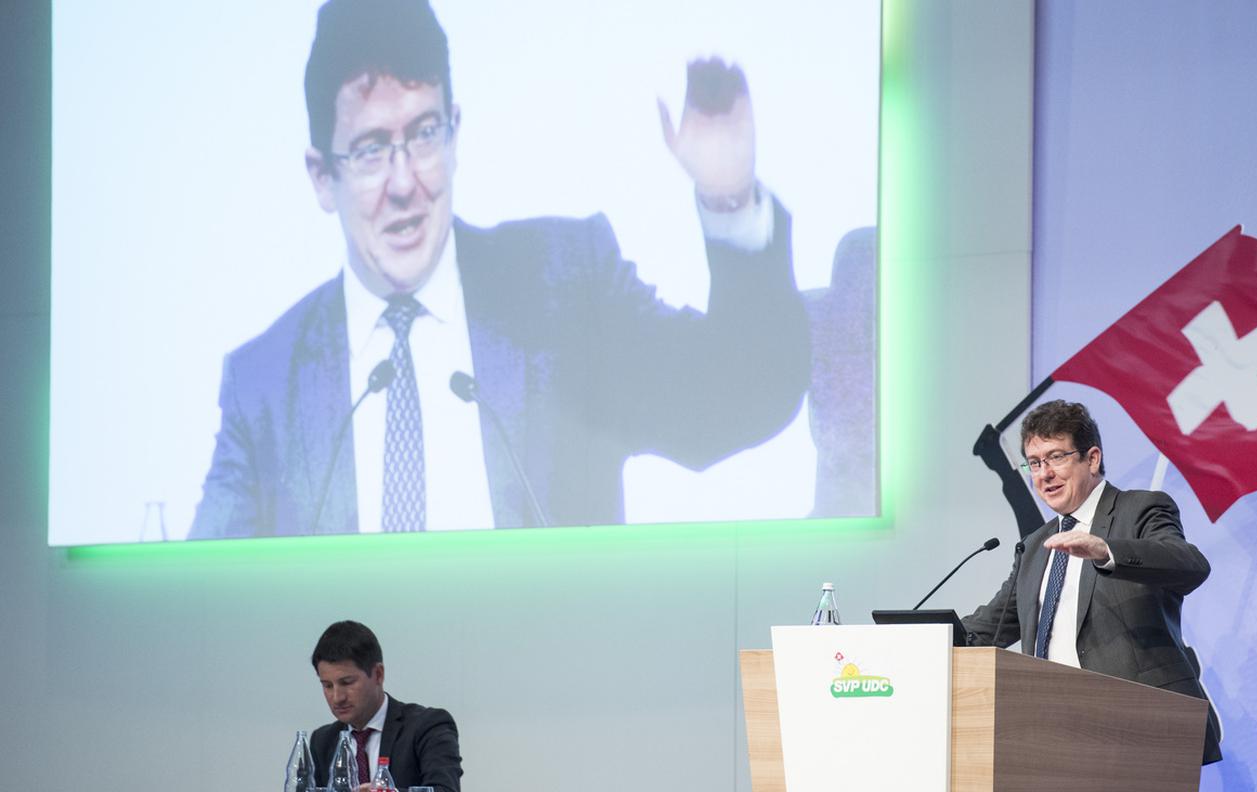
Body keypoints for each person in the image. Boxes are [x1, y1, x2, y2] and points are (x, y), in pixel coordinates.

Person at [189, 0, 809, 538]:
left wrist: (729, 196)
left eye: (424, 133)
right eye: (373, 149)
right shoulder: (265, 385)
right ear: (323, 176)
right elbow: (199, 606)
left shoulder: (564, 290)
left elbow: (737, 399)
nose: (405, 183)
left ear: (455, 134)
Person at [961, 400, 1223, 765]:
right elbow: (992, 626)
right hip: (1055, 732)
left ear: (1092, 458)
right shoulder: (1036, 545)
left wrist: (1106, 551)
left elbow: (1189, 565)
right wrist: (921, 636)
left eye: (1055, 457)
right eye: (1034, 463)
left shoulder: (1141, 509)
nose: (1044, 474)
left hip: (1142, 727)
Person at [309, 621, 462, 791]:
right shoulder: (322, 741)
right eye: (327, 686)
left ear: (378, 675)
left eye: (347, 683)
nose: (337, 698)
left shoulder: (428, 726)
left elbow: (445, 789)